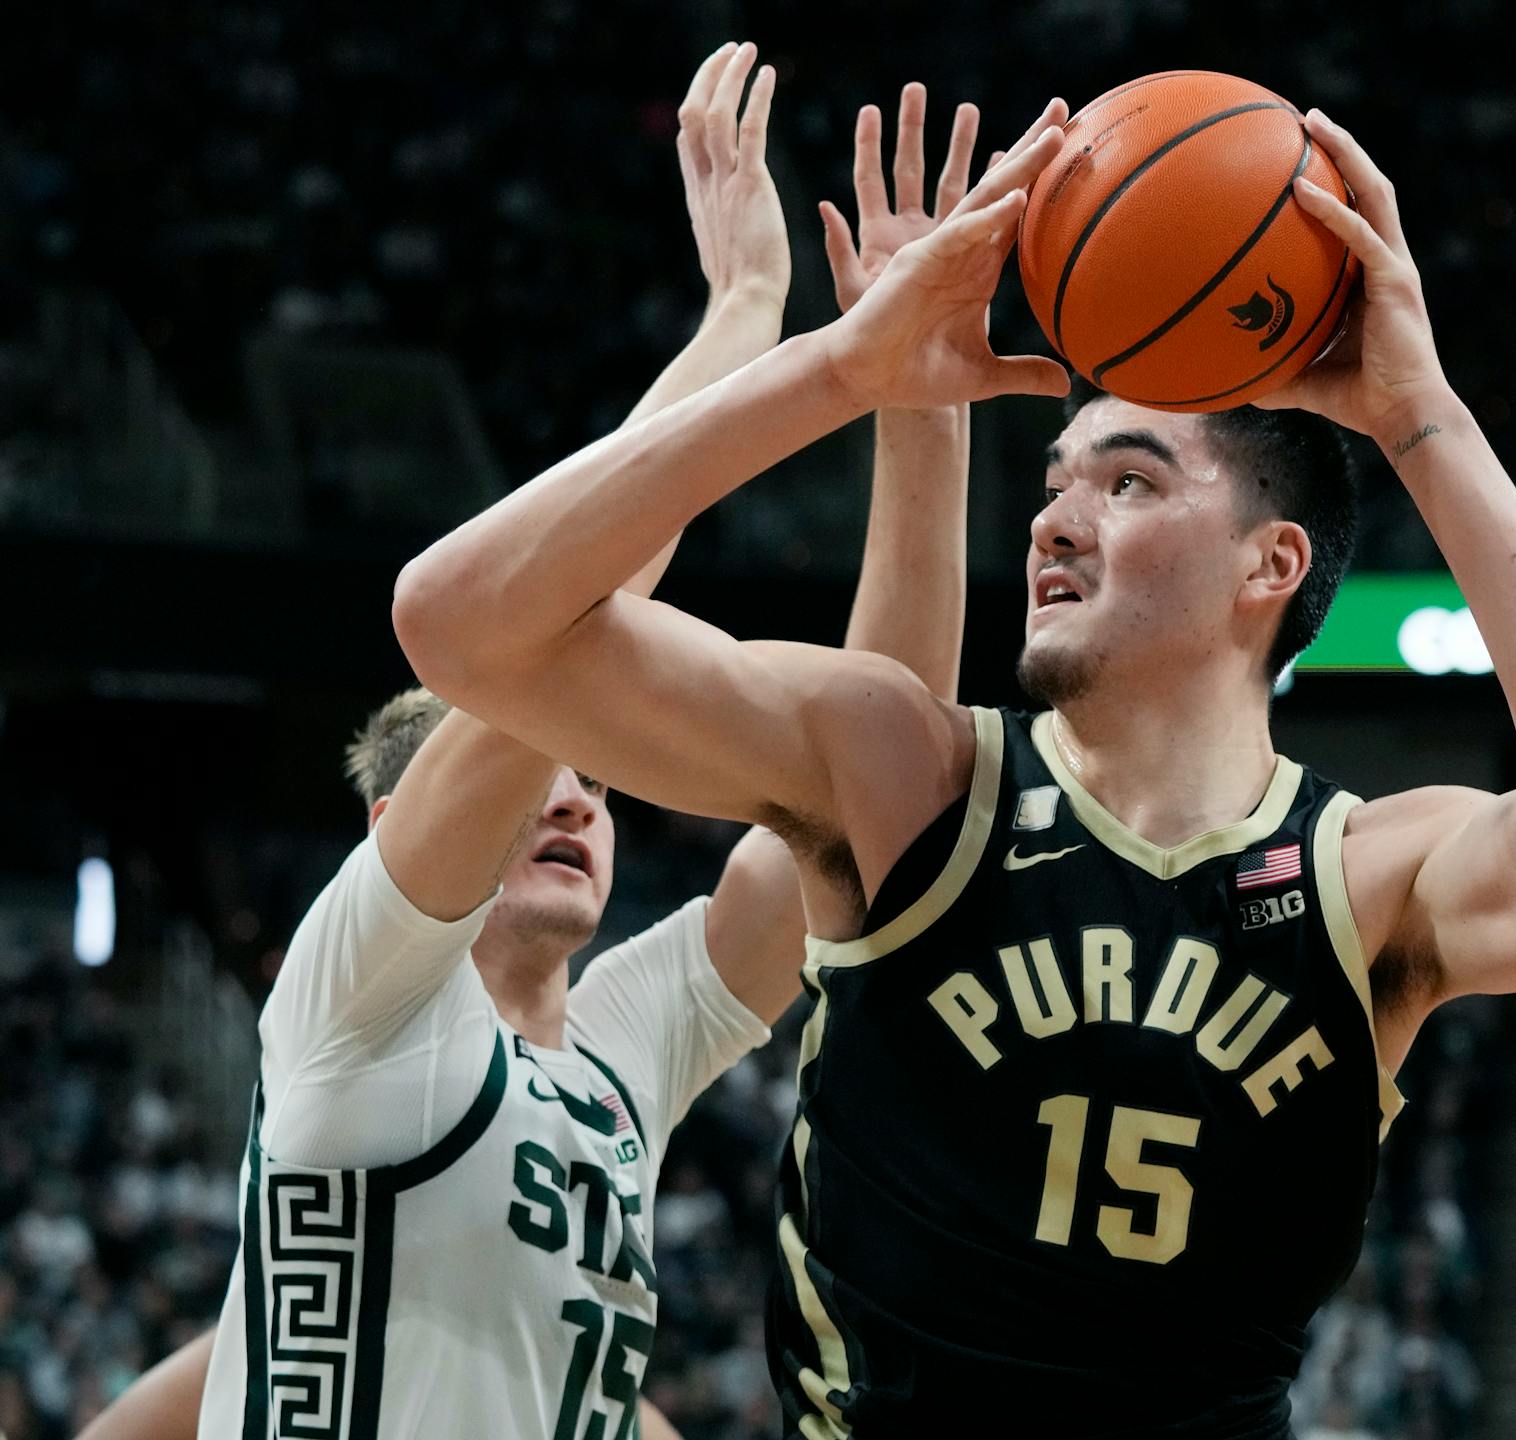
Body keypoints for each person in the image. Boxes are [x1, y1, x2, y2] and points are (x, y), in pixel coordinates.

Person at [394, 96, 1516, 1437]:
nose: (1057, 519)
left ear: (1273, 565)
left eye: (1130, 483)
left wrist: (1422, 418)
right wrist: (842, 371)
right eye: (1052, 481)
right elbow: (464, 624)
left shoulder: (1366, 875)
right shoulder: (911, 773)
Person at [78, 48, 993, 1440]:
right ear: (397, 836)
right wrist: (749, 320)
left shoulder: (626, 1038)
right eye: (534, 774)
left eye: (596, 783)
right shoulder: (362, 994)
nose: (575, 800)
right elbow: (555, 610)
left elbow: (867, 778)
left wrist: (924, 408)